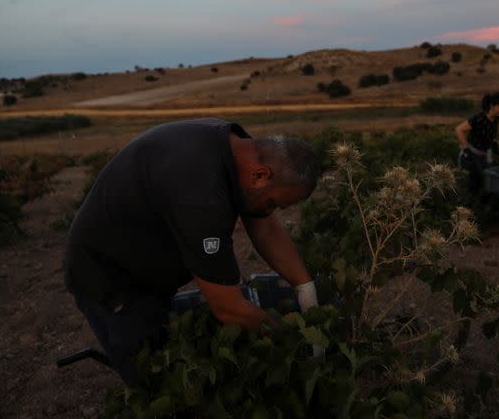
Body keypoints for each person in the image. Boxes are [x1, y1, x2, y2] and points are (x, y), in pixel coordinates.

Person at [63, 117, 321, 386]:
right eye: (273, 203)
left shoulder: (239, 149)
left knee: (163, 341)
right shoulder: (201, 196)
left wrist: (306, 290)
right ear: (260, 176)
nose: (272, 211)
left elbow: (264, 228)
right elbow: (228, 308)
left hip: (140, 257)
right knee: (151, 374)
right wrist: (293, 340)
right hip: (109, 277)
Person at [455, 92, 499, 196]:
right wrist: (466, 149)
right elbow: (459, 129)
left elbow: (490, 133)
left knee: (487, 179)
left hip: (486, 154)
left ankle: (482, 201)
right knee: (475, 182)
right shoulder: (479, 119)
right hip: (473, 154)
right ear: (492, 106)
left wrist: (494, 144)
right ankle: (468, 204)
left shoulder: (496, 118)